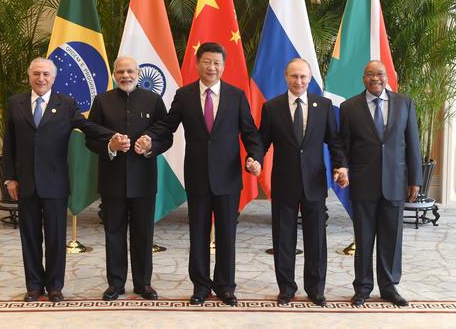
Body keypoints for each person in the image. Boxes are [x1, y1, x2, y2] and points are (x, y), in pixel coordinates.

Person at [141, 42, 263, 306]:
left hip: (228, 177)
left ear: (223, 66)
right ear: (198, 64)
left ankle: (225, 287)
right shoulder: (184, 95)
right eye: (207, 62)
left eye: (217, 63)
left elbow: (251, 133)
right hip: (197, 175)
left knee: (226, 235)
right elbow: (168, 125)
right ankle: (200, 286)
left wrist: (255, 157)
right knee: (197, 233)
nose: (212, 67)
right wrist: (150, 137)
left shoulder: (236, 95)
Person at [2, 57, 113, 302]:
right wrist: (10, 178)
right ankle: (33, 286)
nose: (41, 78)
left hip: (55, 182)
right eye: (36, 74)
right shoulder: (15, 103)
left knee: (55, 238)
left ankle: (54, 286)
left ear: (54, 78)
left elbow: (87, 126)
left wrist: (112, 135)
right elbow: (9, 142)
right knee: (29, 237)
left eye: (45, 74)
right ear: (29, 76)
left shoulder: (66, 104)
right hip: (25, 182)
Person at [259, 58, 348, 307]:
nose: (299, 81)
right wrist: (254, 158)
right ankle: (286, 288)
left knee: (316, 239)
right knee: (283, 239)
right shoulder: (272, 107)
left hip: (314, 182)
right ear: (285, 77)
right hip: (284, 182)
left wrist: (341, 165)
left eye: (303, 77)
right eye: (294, 76)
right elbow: (262, 142)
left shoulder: (324, 105)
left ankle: (315, 288)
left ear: (310, 80)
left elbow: (335, 141)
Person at [85, 56, 172, 301]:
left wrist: (151, 146)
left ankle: (144, 284)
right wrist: (110, 146)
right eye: (121, 71)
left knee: (143, 234)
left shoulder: (153, 101)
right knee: (113, 233)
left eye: (130, 71)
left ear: (138, 73)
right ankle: (116, 283)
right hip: (112, 180)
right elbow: (90, 138)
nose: (126, 76)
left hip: (144, 181)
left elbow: (166, 136)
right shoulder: (102, 101)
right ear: (114, 74)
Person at [340, 60, 422, 307]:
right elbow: (343, 147)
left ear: (388, 77)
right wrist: (342, 168)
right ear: (363, 78)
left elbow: (413, 145)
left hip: (396, 183)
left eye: (380, 74)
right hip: (363, 183)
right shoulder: (348, 107)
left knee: (391, 238)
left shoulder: (404, 103)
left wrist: (415, 180)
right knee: (363, 238)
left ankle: (389, 287)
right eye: (369, 74)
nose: (375, 78)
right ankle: (363, 287)